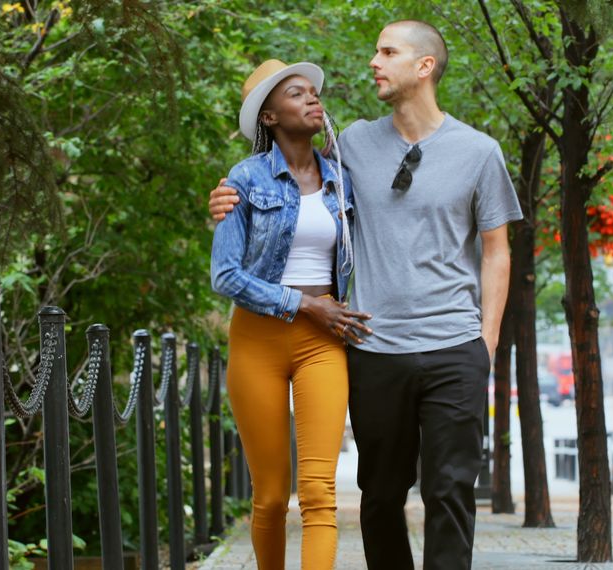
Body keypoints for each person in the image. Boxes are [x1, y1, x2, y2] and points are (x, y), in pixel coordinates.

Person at [210, 21, 523, 570]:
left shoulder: (480, 151)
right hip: (374, 346)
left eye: (387, 52)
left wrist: (486, 343)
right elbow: (283, 179)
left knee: (450, 492)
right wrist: (224, 201)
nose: (373, 62)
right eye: (376, 51)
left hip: (454, 345)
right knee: (379, 495)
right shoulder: (352, 143)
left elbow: (498, 251)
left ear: (423, 66)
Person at [210, 58, 372, 570]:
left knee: (319, 491)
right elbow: (225, 275)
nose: (312, 99)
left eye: (313, 93)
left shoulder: (341, 179)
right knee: (272, 496)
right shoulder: (245, 177)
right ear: (270, 117)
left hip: (323, 342)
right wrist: (305, 304)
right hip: (258, 340)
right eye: (297, 94)